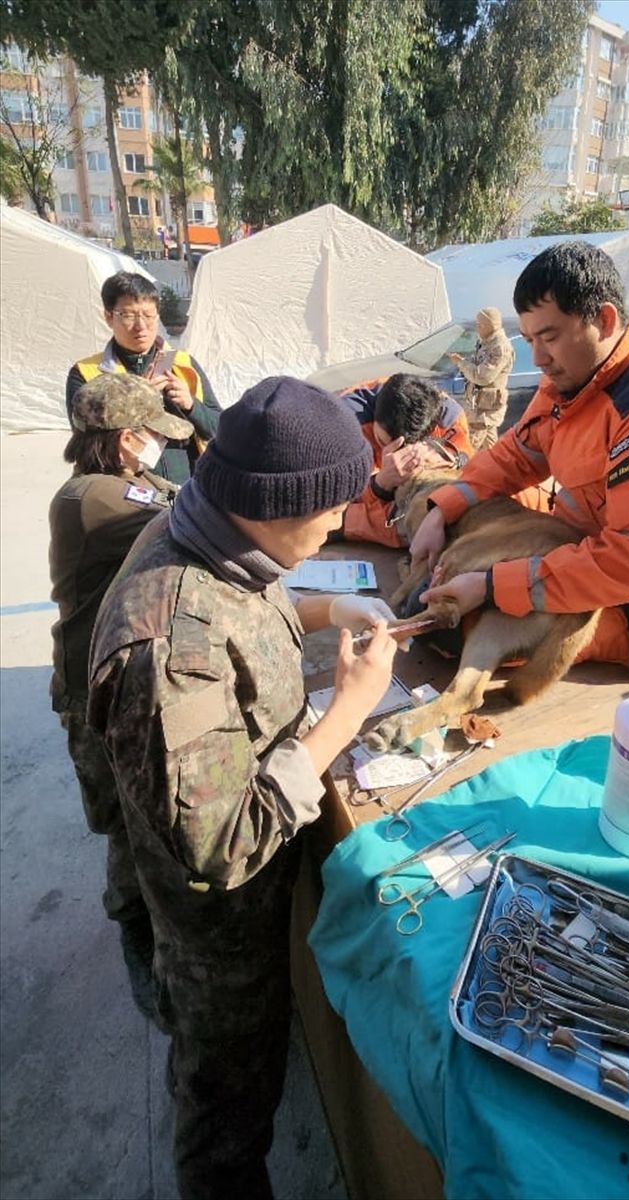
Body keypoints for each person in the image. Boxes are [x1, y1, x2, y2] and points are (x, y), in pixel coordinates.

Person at [87, 376, 397, 1199]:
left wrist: (327, 609)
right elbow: (224, 845)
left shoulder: (210, 529)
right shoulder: (171, 648)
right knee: (227, 1099)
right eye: (329, 510)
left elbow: (251, 597)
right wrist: (348, 711)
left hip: (244, 905)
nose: (337, 524)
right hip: (217, 933)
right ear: (275, 503)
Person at [410, 241, 629, 675]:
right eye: (529, 339)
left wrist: (493, 586)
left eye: (549, 337)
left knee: (451, 624)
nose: (538, 358)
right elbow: (515, 456)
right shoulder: (574, 377)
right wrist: (443, 509)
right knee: (444, 532)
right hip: (577, 552)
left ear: (604, 321)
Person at [49, 373, 193, 1019]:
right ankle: (138, 934)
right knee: (127, 828)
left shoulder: (128, 485)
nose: (161, 448)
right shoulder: (90, 499)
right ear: (127, 438)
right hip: (94, 694)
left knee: (145, 817)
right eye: (154, 436)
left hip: (124, 677)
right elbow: (186, 521)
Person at [66, 271, 222, 484]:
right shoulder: (86, 372)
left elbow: (220, 427)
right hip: (125, 491)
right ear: (109, 317)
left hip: (190, 488)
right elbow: (86, 442)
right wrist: (139, 398)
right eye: (129, 315)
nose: (141, 326)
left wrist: (191, 406)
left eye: (149, 315)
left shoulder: (184, 365)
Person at [340, 372, 473, 547]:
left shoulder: (449, 418)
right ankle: (348, 524)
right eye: (382, 442)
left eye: (403, 447)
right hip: (360, 499)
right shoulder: (346, 424)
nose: (392, 454)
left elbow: (469, 468)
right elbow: (340, 495)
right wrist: (380, 484)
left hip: (410, 499)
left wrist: (443, 458)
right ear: (374, 416)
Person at [449, 306, 515, 450]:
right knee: (490, 449)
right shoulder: (485, 342)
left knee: (467, 448)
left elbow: (482, 376)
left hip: (485, 409)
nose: (477, 327)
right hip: (478, 406)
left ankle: (463, 471)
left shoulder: (500, 348)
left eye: (480, 325)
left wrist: (461, 363)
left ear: (491, 325)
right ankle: (495, 470)